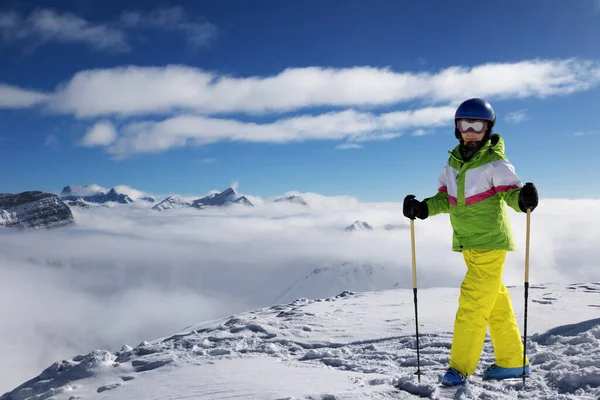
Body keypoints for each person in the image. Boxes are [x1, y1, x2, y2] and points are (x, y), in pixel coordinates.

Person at [402, 98, 539, 386]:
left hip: (490, 242)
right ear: (457, 128)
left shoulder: (494, 162)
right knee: (494, 303)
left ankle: (459, 368)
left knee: (472, 304)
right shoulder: (452, 164)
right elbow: (445, 198)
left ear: (488, 129)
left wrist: (523, 199)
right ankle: (513, 361)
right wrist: (424, 208)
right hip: (469, 244)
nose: (471, 131)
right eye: (465, 124)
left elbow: (510, 193)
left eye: (478, 125)